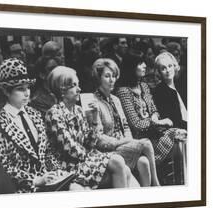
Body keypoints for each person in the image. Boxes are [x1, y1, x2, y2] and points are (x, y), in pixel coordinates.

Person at [45, 66, 133, 189]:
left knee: (125, 169)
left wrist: (95, 118)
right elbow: (70, 150)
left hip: (85, 159)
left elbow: (90, 142)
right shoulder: (54, 114)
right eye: (74, 86)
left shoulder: (78, 110)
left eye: (78, 85)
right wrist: (94, 156)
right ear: (62, 90)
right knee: (117, 162)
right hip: (68, 165)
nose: (79, 89)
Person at [115, 52, 186, 185]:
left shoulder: (144, 85)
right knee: (179, 141)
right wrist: (156, 122)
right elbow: (135, 123)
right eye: (140, 63)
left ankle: (181, 180)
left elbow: (153, 109)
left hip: (155, 132)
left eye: (144, 63)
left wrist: (155, 118)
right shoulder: (123, 91)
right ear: (131, 67)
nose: (144, 66)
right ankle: (169, 182)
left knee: (181, 136)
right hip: (140, 137)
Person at [0, 58, 66, 193]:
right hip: (23, 188)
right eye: (20, 89)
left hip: (49, 179)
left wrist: (57, 171)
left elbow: (47, 151)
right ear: (6, 91)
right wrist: (34, 180)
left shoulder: (34, 114)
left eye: (28, 87)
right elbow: (4, 166)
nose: (27, 93)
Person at [91, 58, 160, 187]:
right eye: (107, 76)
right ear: (98, 78)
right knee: (146, 143)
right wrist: (121, 142)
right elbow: (98, 138)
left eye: (114, 76)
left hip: (124, 146)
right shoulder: (94, 102)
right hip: (108, 151)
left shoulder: (116, 99)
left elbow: (126, 125)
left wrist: (128, 140)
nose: (112, 80)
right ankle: (156, 185)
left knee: (144, 161)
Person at [153, 52, 187, 129]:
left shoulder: (181, 86)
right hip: (178, 131)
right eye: (163, 68)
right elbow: (173, 121)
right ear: (159, 72)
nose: (168, 70)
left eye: (170, 66)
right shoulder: (159, 92)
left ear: (174, 67)